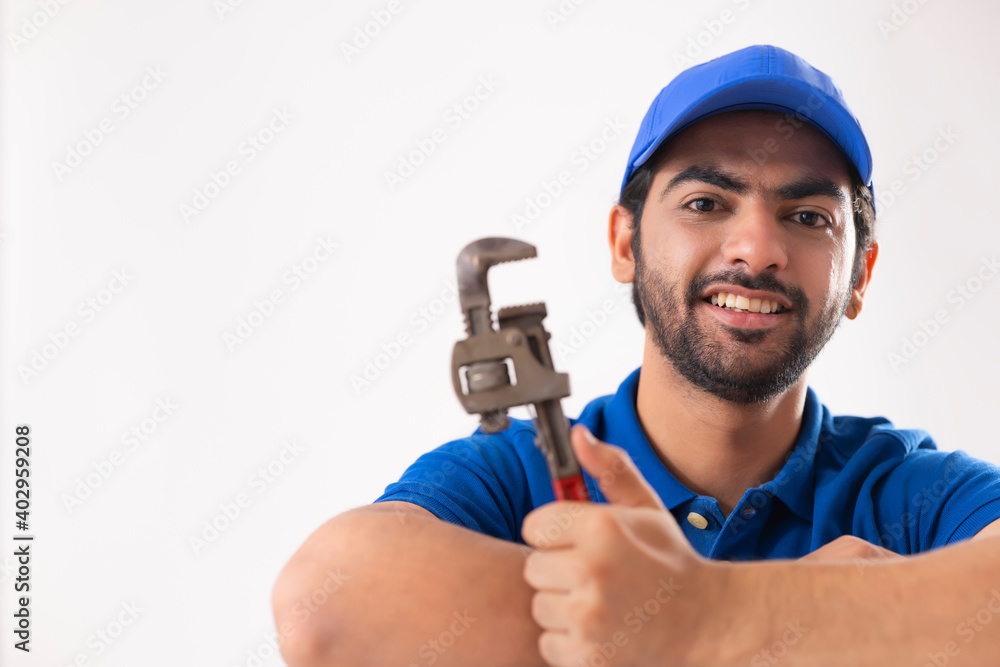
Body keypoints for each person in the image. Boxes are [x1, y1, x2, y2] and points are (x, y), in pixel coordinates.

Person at [272, 45, 1000, 667]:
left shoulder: (912, 498)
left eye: (807, 217)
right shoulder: (515, 476)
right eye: (707, 202)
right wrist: (832, 622)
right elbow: (323, 605)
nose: (757, 248)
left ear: (860, 278)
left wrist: (707, 617)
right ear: (625, 244)